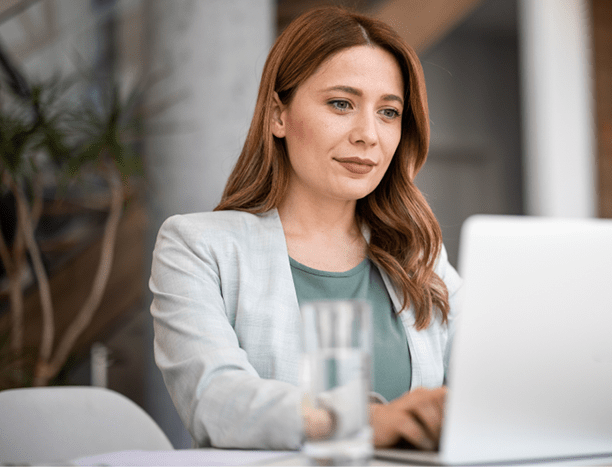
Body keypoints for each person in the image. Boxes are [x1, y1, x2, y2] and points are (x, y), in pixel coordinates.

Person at [149, 6, 461, 451]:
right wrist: (366, 421)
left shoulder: (419, 256)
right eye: (341, 104)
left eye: (389, 112)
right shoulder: (198, 247)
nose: (368, 134)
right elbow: (214, 399)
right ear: (278, 115)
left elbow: (489, 379)